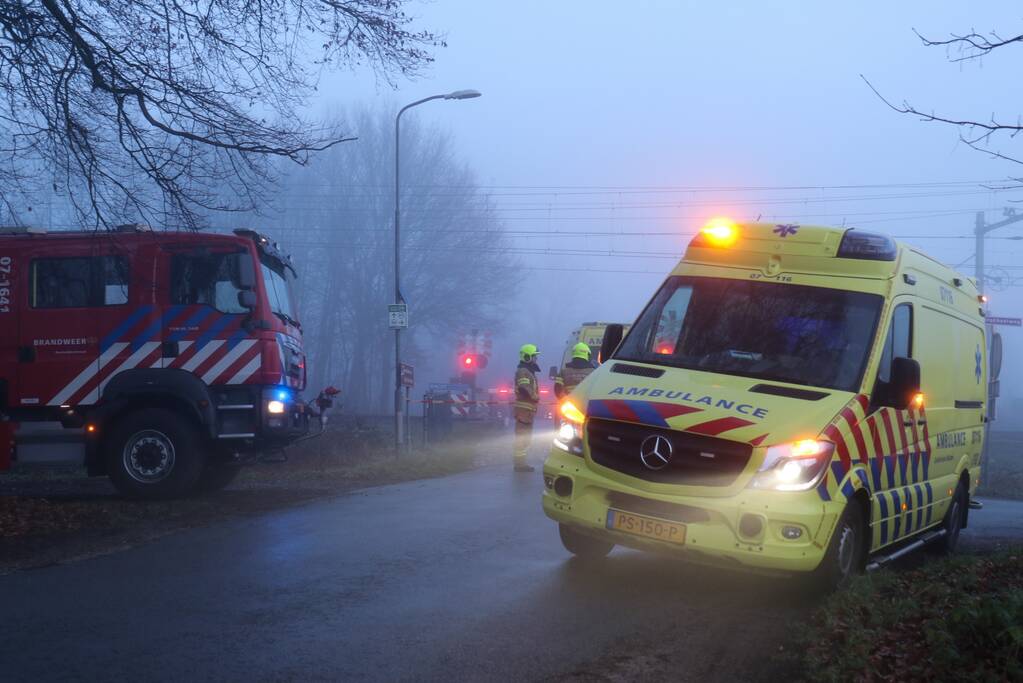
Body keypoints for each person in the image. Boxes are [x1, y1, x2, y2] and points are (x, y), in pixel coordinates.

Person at [512, 343, 541, 472]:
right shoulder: (524, 372)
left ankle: (521, 464)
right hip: (524, 411)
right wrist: (534, 396)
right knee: (522, 437)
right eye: (534, 357)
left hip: (527, 411)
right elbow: (524, 388)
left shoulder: (528, 371)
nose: (536, 359)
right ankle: (519, 465)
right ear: (527, 357)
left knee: (525, 438)